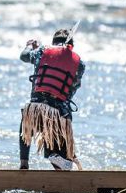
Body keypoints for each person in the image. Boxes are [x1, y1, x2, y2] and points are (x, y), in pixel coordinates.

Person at [18, 28, 85, 171]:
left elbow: (23, 56)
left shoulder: (42, 51)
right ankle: (58, 157)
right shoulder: (79, 64)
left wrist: (30, 46)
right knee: (61, 157)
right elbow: (70, 91)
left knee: (26, 115)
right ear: (71, 45)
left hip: (35, 111)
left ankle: (24, 163)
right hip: (57, 116)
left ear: (53, 42)